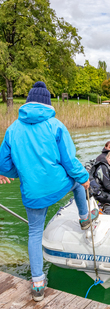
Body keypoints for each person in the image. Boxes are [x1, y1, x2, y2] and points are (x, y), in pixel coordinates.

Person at [0, 81, 98, 302]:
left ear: (27, 102)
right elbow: (69, 160)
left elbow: (4, 165)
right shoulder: (55, 125)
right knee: (75, 182)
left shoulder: (13, 128)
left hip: (32, 192)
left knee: (35, 233)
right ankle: (85, 219)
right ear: (47, 102)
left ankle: (37, 284)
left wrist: (19, 172)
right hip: (57, 184)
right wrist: (84, 178)